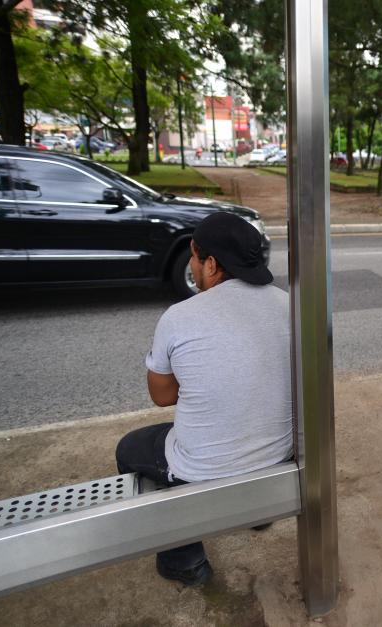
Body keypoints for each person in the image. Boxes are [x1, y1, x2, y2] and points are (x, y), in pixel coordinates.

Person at [116, 211, 293, 586]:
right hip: (280, 457)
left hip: (202, 472)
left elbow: (162, 396)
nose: (193, 266)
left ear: (211, 264)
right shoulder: (288, 305)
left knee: (131, 448)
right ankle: (259, 512)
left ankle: (185, 560)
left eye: (195, 258)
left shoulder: (180, 317)